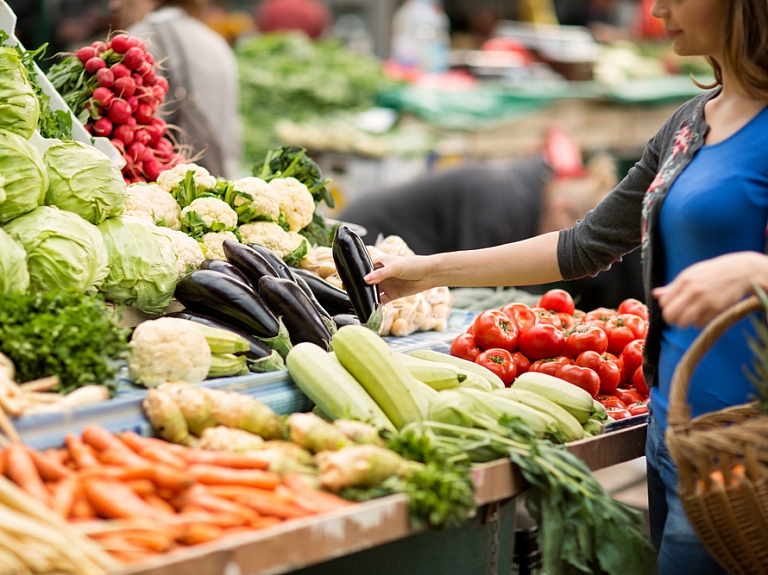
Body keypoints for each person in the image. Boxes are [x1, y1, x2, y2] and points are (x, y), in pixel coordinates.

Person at [364, 0, 768, 573]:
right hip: (675, 434)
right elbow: (581, 245)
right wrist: (428, 270)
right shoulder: (689, 124)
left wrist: (758, 272)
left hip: (752, 448)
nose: (657, 9)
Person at [108, 0, 242, 179]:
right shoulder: (214, 40)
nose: (114, 5)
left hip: (175, 188)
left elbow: (134, 141)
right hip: (219, 179)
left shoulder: (143, 39)